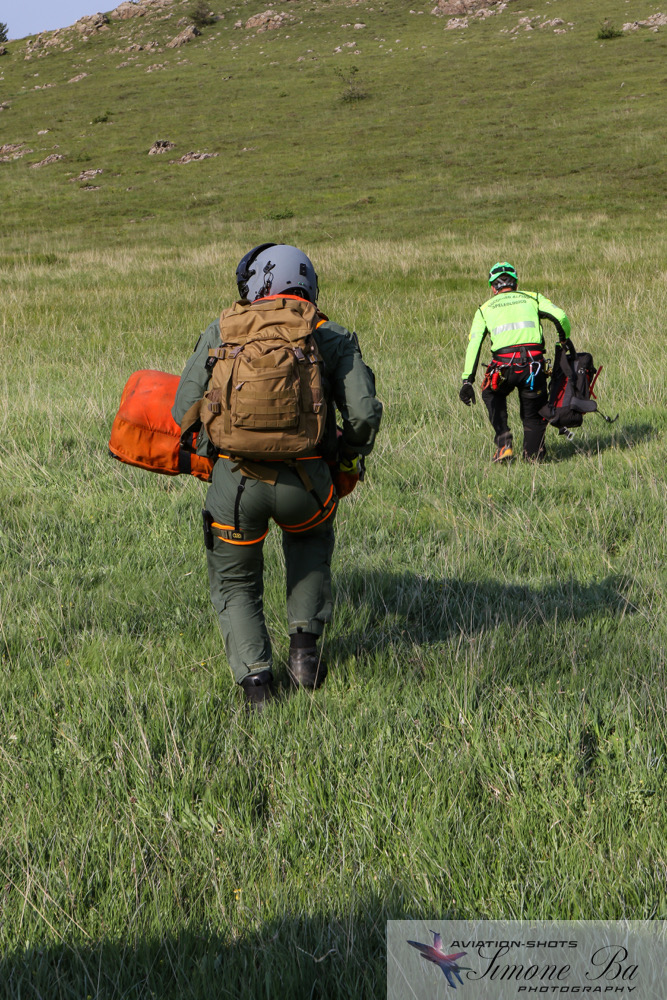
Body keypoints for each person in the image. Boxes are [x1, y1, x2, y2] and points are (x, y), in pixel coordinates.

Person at [172, 244, 382, 709]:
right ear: (307, 281)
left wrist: (213, 449)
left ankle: (256, 686)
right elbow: (364, 415)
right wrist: (346, 458)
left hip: (235, 486)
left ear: (254, 285)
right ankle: (305, 660)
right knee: (308, 549)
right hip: (307, 485)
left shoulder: (222, 329)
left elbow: (181, 410)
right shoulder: (328, 334)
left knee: (235, 583)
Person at [459, 262, 571, 461]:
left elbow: (474, 344)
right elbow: (560, 316)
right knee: (533, 412)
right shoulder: (533, 298)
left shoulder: (484, 309)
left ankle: (504, 444)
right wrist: (563, 340)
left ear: (493, 287)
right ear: (516, 284)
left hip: (503, 369)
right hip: (533, 368)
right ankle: (534, 455)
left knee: (490, 393)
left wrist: (468, 380)